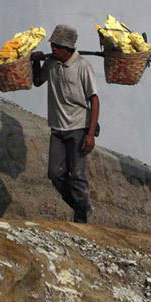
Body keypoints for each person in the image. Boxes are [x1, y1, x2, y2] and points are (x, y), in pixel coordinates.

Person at [31, 24, 99, 223]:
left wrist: (90, 133)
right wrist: (36, 62)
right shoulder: (51, 63)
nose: (53, 50)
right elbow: (37, 81)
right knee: (54, 173)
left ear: (68, 48)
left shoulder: (83, 66)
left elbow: (94, 100)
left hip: (78, 127)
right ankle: (82, 206)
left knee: (77, 175)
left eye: (57, 47)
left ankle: (81, 218)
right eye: (52, 46)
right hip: (58, 127)